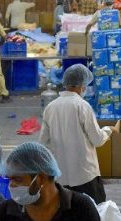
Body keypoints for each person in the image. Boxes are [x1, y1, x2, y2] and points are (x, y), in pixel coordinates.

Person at [40, 64, 115, 204]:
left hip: (60, 176)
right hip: (85, 174)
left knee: (66, 216)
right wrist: (108, 130)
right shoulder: (82, 105)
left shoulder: (50, 107)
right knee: (94, 213)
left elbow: (43, 143)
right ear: (82, 86)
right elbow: (97, 139)